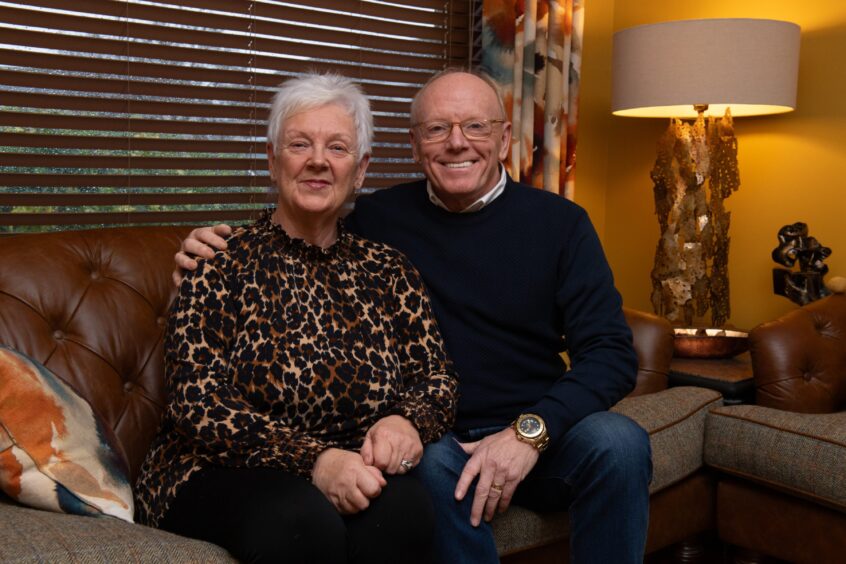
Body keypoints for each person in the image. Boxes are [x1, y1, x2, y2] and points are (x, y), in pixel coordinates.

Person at [175, 69, 651, 564]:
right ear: (414, 144)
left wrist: (527, 433)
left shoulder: (561, 224)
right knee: (424, 471)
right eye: (437, 129)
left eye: (476, 127)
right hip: (435, 435)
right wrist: (199, 253)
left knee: (620, 444)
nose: (456, 143)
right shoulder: (379, 222)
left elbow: (612, 354)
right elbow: (302, 216)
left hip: (536, 425)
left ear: (505, 138)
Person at [136, 72, 458, 564]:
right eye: (300, 143)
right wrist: (315, 461)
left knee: (406, 509)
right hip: (216, 469)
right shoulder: (220, 260)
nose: (317, 160)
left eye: (337, 147)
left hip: (351, 468)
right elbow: (196, 402)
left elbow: (436, 377)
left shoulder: (389, 270)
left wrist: (405, 420)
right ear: (272, 159)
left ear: (361, 167)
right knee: (300, 523)